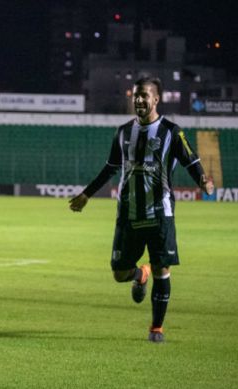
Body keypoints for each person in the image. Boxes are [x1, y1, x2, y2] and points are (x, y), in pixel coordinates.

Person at [69, 77, 214, 343]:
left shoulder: (171, 131)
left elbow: (191, 161)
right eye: (136, 95)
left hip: (160, 214)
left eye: (144, 95)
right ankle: (139, 274)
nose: (138, 100)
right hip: (128, 215)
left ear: (156, 99)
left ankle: (156, 328)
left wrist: (203, 180)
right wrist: (86, 194)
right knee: (119, 273)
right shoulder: (123, 132)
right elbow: (110, 168)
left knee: (163, 269)